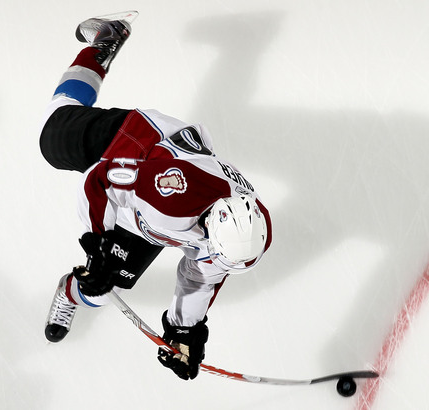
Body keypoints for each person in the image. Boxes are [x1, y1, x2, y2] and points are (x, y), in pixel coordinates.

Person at [40, 13, 272, 381]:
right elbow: (101, 180)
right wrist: (96, 244)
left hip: (152, 221)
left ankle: (70, 293)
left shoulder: (245, 236)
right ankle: (103, 42)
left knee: (99, 289)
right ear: (211, 224)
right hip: (135, 143)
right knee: (51, 135)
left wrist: (185, 330)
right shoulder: (172, 191)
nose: (217, 259)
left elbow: (202, 277)